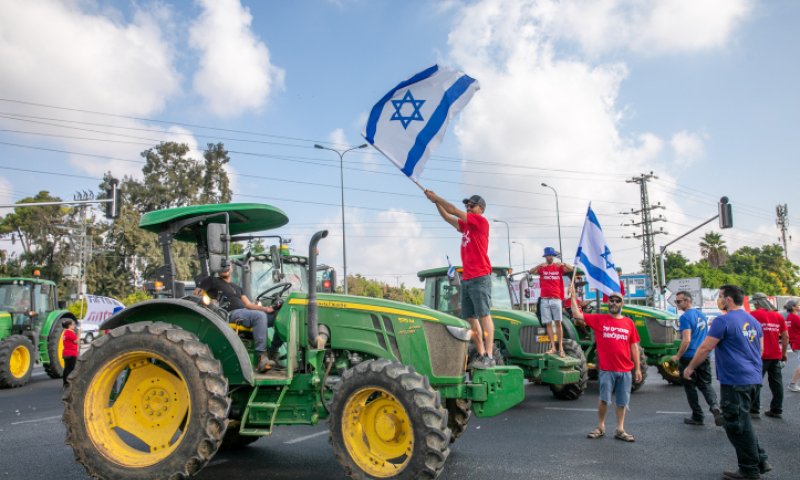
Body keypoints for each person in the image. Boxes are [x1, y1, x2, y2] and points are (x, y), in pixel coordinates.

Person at [684, 285, 770, 480]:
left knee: (734, 424)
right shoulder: (753, 321)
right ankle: (760, 459)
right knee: (743, 420)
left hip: (735, 380)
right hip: (753, 378)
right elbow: (761, 350)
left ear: (729, 300)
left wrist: (690, 368)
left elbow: (706, 348)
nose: (719, 300)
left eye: (721, 296)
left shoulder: (722, 321)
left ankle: (749, 469)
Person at [425, 190, 494, 368]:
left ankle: (490, 355)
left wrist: (437, 197)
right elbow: (448, 217)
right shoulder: (466, 227)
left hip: (480, 277)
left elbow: (453, 210)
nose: (468, 208)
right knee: (471, 318)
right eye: (467, 206)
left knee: (484, 315)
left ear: (481, 209)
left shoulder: (480, 222)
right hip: (468, 278)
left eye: (471, 205)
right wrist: (436, 204)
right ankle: (481, 354)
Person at [569, 283, 641, 443]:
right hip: (607, 369)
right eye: (611, 300)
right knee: (604, 400)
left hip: (625, 370)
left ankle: (620, 429)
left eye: (617, 300)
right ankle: (601, 427)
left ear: (622, 303)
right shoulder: (600, 319)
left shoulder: (629, 323)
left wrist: (637, 369)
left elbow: (634, 346)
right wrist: (573, 296)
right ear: (608, 303)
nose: (614, 303)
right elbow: (576, 314)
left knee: (622, 402)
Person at [198, 264, 281, 372]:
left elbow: (249, 305)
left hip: (246, 312)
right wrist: (209, 302)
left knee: (279, 318)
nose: (225, 268)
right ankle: (262, 357)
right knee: (259, 316)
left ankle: (273, 353)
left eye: (227, 266)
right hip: (230, 313)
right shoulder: (211, 280)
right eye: (222, 266)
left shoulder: (237, 287)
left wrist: (266, 309)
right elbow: (198, 294)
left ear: (231, 268)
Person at [670, 291, 721, 426]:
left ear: (687, 301)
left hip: (689, 357)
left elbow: (686, 340)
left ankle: (698, 416)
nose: (677, 304)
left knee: (690, 387)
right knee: (705, 384)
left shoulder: (685, 317)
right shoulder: (701, 315)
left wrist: (677, 356)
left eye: (679, 301)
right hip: (703, 355)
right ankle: (715, 406)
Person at [748, 293, 788, 419]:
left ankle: (754, 409)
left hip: (759, 354)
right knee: (776, 383)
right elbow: (785, 337)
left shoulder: (753, 315)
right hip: (775, 355)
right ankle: (776, 409)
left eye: (754, 303)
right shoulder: (778, 316)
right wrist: (784, 354)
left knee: (756, 382)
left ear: (757, 303)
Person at [529, 248, 573, 357]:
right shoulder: (542, 268)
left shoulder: (558, 267)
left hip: (556, 298)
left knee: (558, 323)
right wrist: (539, 265)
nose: (549, 257)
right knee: (548, 323)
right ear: (545, 257)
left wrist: (563, 263)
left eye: (551, 255)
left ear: (553, 256)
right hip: (544, 299)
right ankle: (553, 347)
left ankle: (561, 348)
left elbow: (571, 269)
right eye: (547, 255)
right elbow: (530, 271)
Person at [785, 301, 800, 392]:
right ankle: (793, 384)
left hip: (794, 343)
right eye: (798, 305)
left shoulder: (789, 317)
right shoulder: (796, 317)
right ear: (794, 307)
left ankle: (793, 384)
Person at [61, 318, 79, 388]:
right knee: (71, 369)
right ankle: (70, 383)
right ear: (69, 325)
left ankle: (65, 383)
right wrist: (79, 334)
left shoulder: (65, 332)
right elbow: (76, 341)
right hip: (71, 353)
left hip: (66, 353)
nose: (74, 326)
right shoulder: (70, 332)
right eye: (73, 324)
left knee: (67, 368)